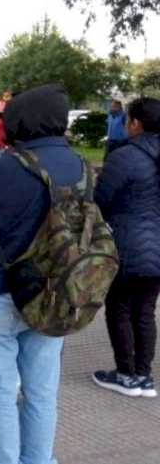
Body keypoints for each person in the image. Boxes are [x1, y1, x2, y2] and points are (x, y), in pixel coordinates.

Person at [0, 84, 84, 464]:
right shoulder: (79, 167)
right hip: (55, 291)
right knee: (42, 390)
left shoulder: (10, 167)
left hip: (0, 289)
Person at [92, 97, 160, 398]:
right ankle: (144, 377)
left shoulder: (124, 156)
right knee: (145, 310)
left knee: (118, 307)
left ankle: (125, 374)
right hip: (156, 249)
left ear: (135, 123)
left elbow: (100, 200)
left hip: (127, 244)